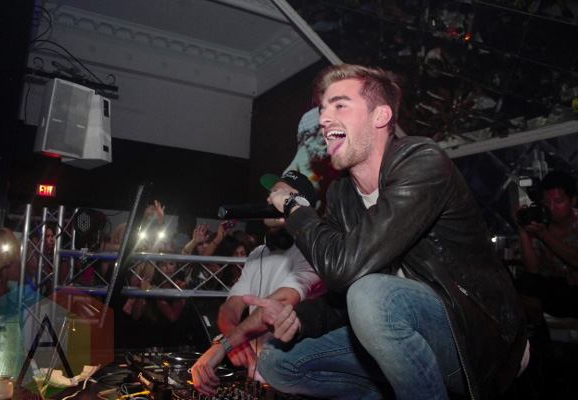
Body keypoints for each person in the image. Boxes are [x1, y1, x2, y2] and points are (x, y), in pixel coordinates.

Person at [245, 64, 528, 400]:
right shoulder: (342, 195)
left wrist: (294, 206)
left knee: (371, 295)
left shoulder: (422, 161)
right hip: (396, 330)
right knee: (277, 362)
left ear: (380, 116)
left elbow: (347, 272)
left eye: (339, 105)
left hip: (476, 338)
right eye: (322, 110)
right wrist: (299, 318)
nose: (323, 119)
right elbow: (343, 290)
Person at [191, 171, 326, 396]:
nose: (269, 199)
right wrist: (236, 339)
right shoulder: (257, 254)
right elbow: (229, 309)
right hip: (257, 382)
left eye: (278, 193)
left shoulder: (312, 252)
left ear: (299, 204)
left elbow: (282, 300)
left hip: (295, 384)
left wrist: (225, 344)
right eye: (270, 193)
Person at [515, 170, 578, 350]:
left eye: (558, 201)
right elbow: (532, 268)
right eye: (546, 202)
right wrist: (523, 231)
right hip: (555, 287)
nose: (552, 208)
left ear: (572, 200)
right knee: (525, 283)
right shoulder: (539, 223)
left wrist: (544, 235)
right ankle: (542, 336)